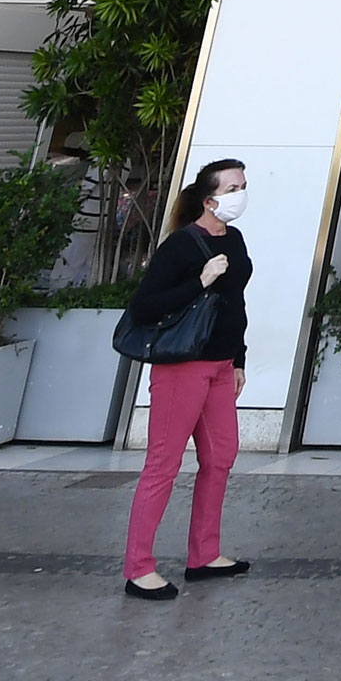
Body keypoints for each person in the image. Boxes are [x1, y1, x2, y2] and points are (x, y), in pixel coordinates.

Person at [119, 159, 254, 600]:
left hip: (219, 366)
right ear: (210, 199)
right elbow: (144, 307)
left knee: (221, 457)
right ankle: (138, 568)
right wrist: (200, 279)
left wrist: (238, 359)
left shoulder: (233, 239)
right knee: (164, 463)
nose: (242, 193)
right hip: (182, 367)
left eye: (244, 186)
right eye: (233, 187)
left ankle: (205, 554)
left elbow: (234, 303)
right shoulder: (180, 246)